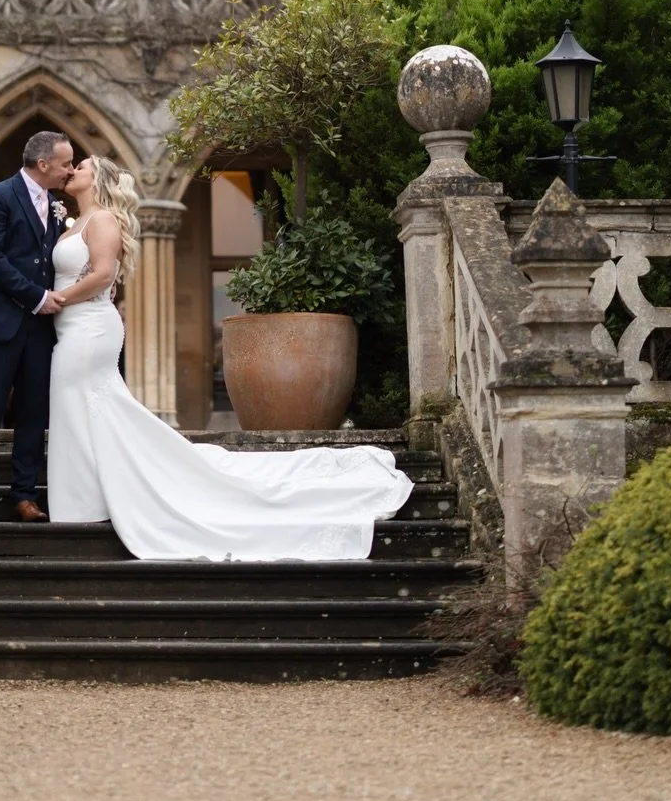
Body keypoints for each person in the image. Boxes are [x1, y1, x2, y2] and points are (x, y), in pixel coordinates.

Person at [47, 156, 412, 559]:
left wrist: (56, 298)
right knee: (81, 408)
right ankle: (86, 497)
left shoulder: (103, 221)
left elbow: (102, 275)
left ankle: (87, 500)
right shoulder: (74, 222)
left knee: (86, 403)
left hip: (89, 327)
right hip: (73, 326)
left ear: (99, 178)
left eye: (81, 166)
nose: (73, 170)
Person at [0, 130, 74, 525]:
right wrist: (37, 297)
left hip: (41, 329)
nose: (71, 170)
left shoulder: (59, 206)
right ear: (43, 164)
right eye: (66, 164)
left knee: (33, 412)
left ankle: (25, 495)